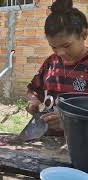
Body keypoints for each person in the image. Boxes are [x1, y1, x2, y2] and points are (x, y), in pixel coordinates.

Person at [26, 0, 88, 134]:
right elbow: (34, 90)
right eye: (53, 47)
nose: (60, 53)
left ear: (83, 35)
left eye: (66, 46)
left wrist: (68, 122)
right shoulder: (51, 63)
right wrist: (33, 101)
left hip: (81, 144)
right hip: (47, 141)